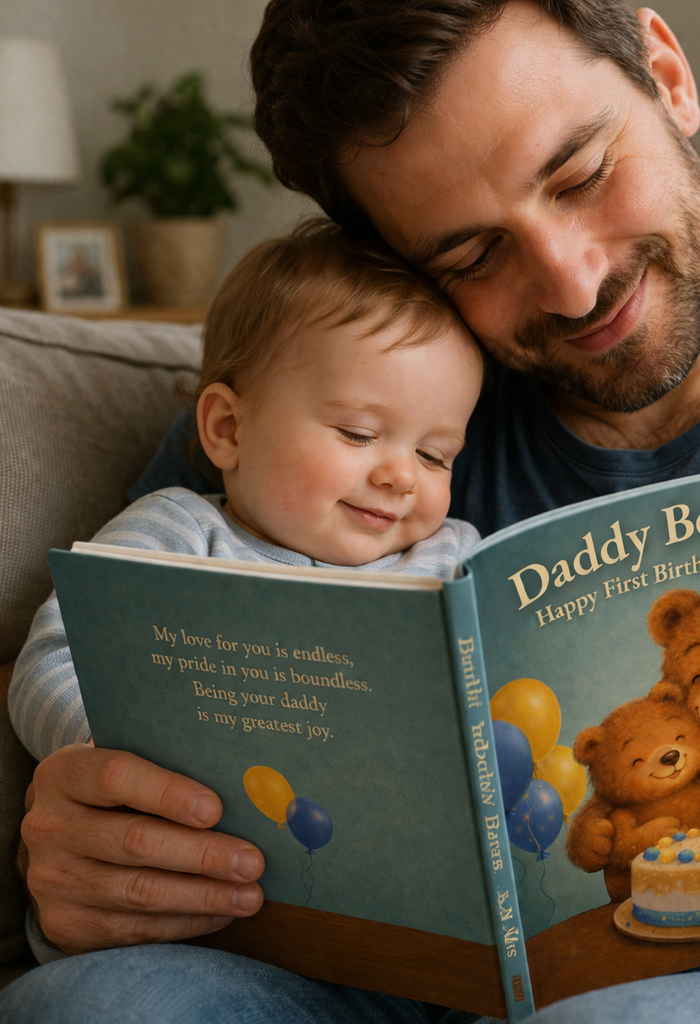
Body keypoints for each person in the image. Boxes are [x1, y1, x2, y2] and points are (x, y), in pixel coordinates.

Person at [5, 2, 700, 1022]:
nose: (569, 281)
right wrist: (84, 824)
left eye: (582, 174)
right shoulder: (360, 389)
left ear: (667, 73)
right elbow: (106, 668)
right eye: (470, 256)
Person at [7, 216, 483, 929]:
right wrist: (117, 755)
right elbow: (51, 658)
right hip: (208, 887)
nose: (399, 477)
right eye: (358, 434)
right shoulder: (182, 531)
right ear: (227, 429)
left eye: (436, 455)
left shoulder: (450, 555)